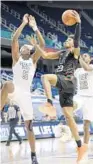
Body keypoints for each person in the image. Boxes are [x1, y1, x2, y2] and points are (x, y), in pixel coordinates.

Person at [0, 14, 62, 164]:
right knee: (6, 85)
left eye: (28, 47)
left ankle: (34, 155)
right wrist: (22, 24)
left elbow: (42, 44)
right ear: (20, 51)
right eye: (23, 47)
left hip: (26, 94)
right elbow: (15, 40)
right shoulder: (16, 59)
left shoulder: (33, 60)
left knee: (29, 126)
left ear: (30, 51)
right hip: (16, 89)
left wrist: (34, 27)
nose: (25, 48)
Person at [37, 11, 87, 163]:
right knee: (68, 117)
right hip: (64, 86)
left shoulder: (75, 53)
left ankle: (49, 103)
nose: (67, 40)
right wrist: (36, 47)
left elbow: (77, 41)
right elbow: (45, 56)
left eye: (69, 39)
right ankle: (80, 146)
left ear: (73, 44)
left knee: (45, 77)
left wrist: (78, 23)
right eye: (66, 39)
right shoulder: (61, 53)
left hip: (67, 80)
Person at [74, 53, 93, 161]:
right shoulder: (77, 71)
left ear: (90, 59)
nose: (84, 57)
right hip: (79, 96)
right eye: (83, 56)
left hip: (90, 98)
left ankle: (84, 146)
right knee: (70, 108)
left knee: (86, 125)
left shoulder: (91, 67)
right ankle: (65, 129)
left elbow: (86, 67)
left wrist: (79, 57)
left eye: (86, 56)